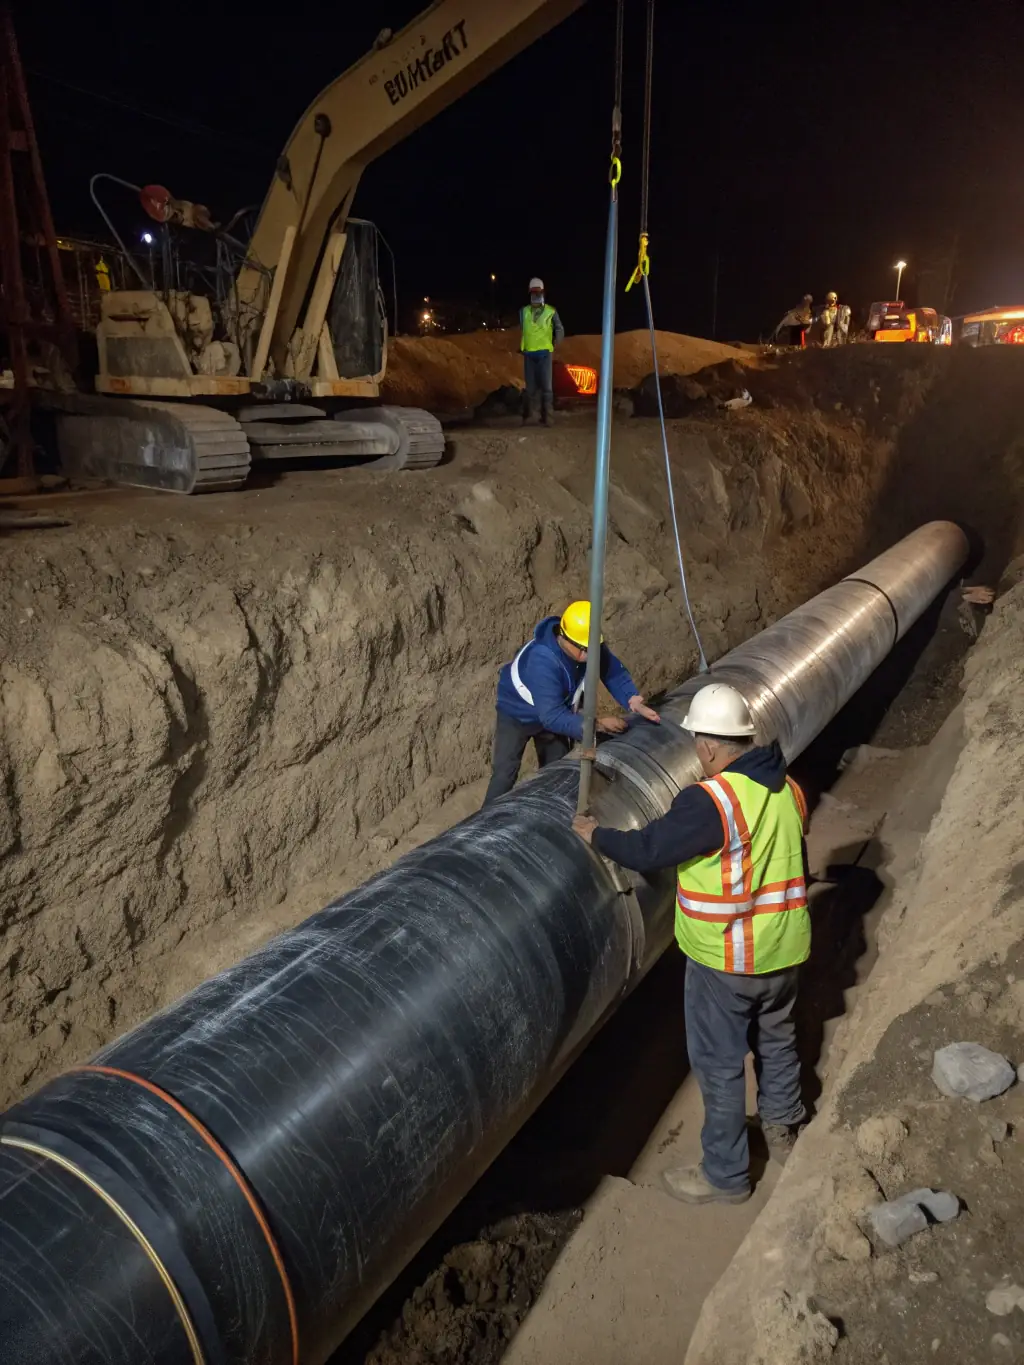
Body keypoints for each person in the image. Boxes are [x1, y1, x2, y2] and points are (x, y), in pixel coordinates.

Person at [571, 682, 810, 1205]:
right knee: (777, 1042)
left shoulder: (712, 801)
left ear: (708, 746)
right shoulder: (789, 788)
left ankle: (726, 1176)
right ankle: (783, 1128)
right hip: (785, 951)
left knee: (719, 1065)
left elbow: (650, 849)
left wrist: (597, 835)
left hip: (726, 960)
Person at [483, 600, 660, 805]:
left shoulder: (584, 641)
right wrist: (598, 724)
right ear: (566, 638)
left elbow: (611, 670)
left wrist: (632, 699)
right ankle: (484, 821)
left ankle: (550, 811)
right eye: (585, 649)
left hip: (557, 710)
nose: (589, 654)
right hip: (517, 714)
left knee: (556, 770)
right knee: (505, 773)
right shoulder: (543, 661)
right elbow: (552, 716)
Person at [520, 277, 564, 426]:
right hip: (529, 354)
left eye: (538, 292)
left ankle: (548, 417)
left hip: (545, 354)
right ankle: (531, 416)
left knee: (546, 387)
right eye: (533, 292)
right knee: (530, 388)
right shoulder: (524, 312)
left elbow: (559, 328)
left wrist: (556, 342)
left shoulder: (551, 312)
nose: (536, 295)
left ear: (543, 293)